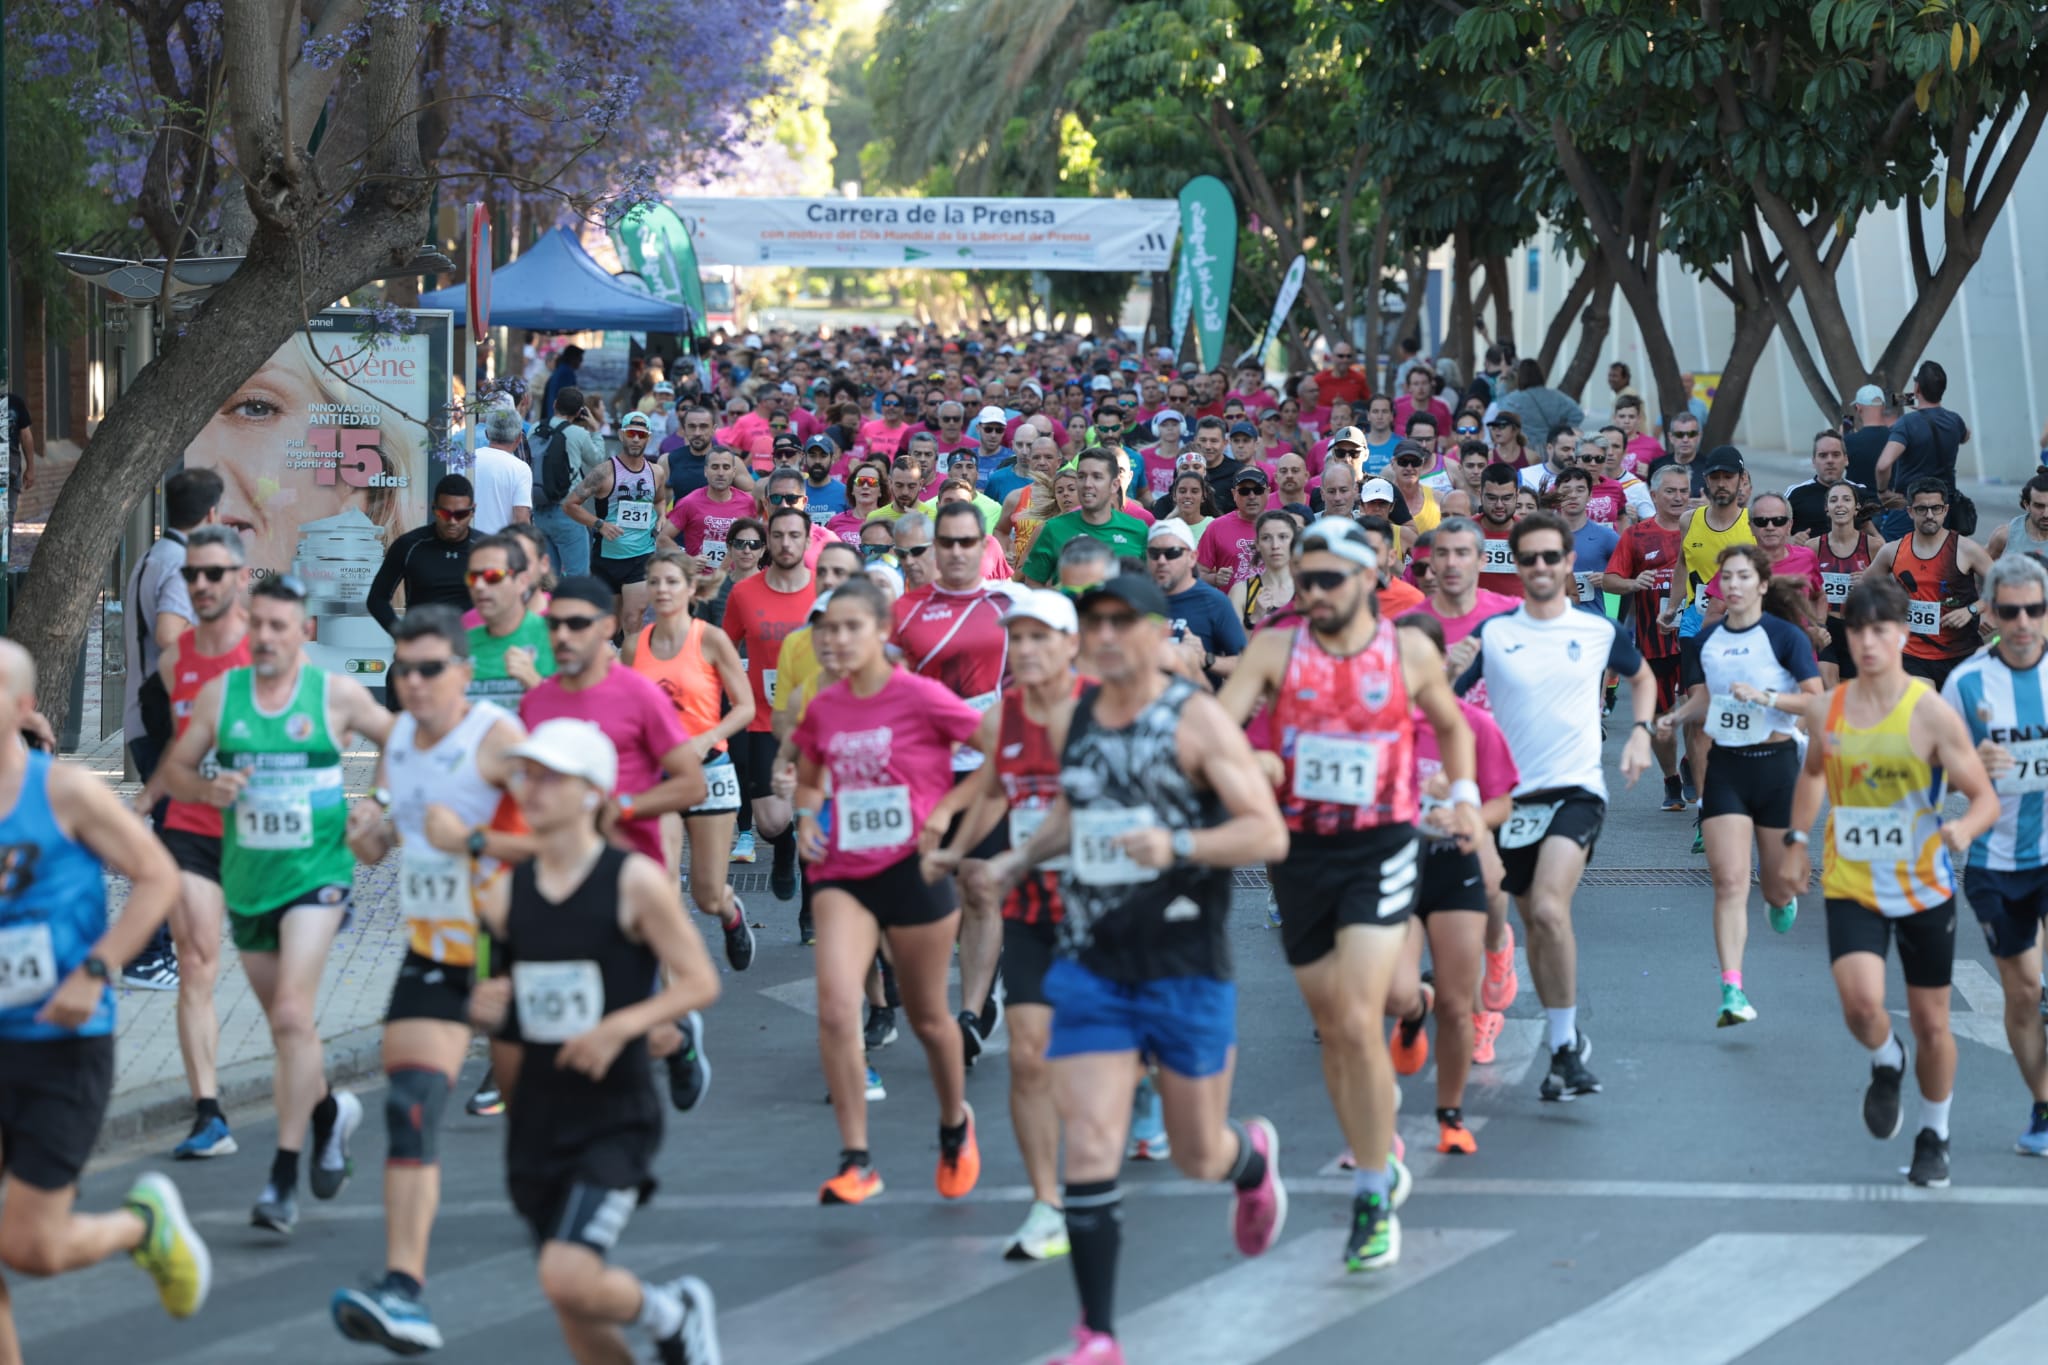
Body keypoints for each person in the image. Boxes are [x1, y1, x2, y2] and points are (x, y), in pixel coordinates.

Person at [983, 573, 1291, 1365]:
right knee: (1089, 1140)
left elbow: (1266, 833)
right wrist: (1019, 857)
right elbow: (1073, 808)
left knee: (1196, 1153)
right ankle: (1097, 1335)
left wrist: (1179, 846)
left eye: (1124, 621)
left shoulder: (1195, 721)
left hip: (1184, 959)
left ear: (1159, 633)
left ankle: (1250, 1160)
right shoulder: (1078, 714)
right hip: (1093, 959)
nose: (1107, 634)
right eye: (1096, 621)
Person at [1218, 517, 1479, 1270]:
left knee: (1360, 1017)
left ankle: (1371, 1191)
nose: (1313, 593)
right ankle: (1377, 1152)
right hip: (1299, 854)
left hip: (1382, 846)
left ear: (1369, 577)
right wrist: (1247, 762)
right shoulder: (1275, 644)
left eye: (1329, 579)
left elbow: (1452, 729)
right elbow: (1219, 724)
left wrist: (1461, 794)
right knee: (1334, 1025)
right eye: (1304, 580)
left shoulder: (1407, 649)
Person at [466, 719, 724, 1365]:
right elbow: (490, 992)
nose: (532, 786)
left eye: (550, 775)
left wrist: (621, 1025)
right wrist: (482, 1004)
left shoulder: (631, 880)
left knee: (567, 1274)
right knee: (573, 1305)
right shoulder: (502, 894)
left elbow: (698, 982)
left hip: (614, 1114)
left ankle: (673, 1312)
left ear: (590, 791)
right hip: (536, 1119)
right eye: (526, 772)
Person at [155, 574, 396, 1232]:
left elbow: (400, 739)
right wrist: (208, 790)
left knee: (293, 1010)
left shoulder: (334, 694)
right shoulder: (219, 695)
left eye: (278, 626)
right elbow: (176, 770)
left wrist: (380, 802)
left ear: (304, 632)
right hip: (248, 879)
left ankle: (282, 1177)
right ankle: (328, 1113)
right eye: (256, 623)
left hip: (318, 871)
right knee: (289, 1030)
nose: (264, 637)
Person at [0, 639, 212, 1342]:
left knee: (29, 1247)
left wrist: (97, 969)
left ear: (23, 707)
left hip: (60, 1044)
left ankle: (140, 1225)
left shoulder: (62, 791)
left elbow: (157, 876)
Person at [328, 607, 526, 1352]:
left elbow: (571, 834)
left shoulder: (497, 740)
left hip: (510, 950)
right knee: (410, 1103)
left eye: (429, 669)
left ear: (465, 674)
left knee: (542, 1121)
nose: (412, 683)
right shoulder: (402, 740)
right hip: (434, 952)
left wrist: (475, 839)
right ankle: (403, 1289)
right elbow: (384, 841)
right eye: (401, 670)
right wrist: (368, 836)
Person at [1784, 577, 1998, 1188]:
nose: (1870, 642)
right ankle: (1885, 1058)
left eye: (1882, 630)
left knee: (1933, 1023)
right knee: (1860, 1004)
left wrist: (1964, 831)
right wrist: (1797, 841)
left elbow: (1981, 797)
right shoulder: (1831, 707)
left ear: (1903, 634)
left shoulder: (1930, 711)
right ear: (1847, 637)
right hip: (1852, 881)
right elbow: (1813, 778)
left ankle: (1935, 1132)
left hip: (1924, 885)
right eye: (1859, 631)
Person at [790, 579, 988, 1206]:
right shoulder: (823, 705)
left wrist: (945, 810)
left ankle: (955, 1123)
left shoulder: (923, 698)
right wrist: (804, 819)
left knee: (930, 1020)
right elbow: (811, 778)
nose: (836, 640)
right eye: (828, 630)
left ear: (881, 631)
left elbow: (996, 760)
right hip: (843, 871)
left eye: (850, 628)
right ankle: (857, 1160)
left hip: (912, 869)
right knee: (834, 1007)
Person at [1452, 512, 1655, 1100]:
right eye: (1530, 559)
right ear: (1517, 567)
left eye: (1551, 558)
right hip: (1511, 799)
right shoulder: (1495, 634)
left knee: (1545, 909)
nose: (1541, 568)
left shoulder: (1594, 630)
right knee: (1536, 929)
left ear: (1569, 564)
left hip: (1576, 791)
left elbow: (1641, 679)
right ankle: (1564, 1044)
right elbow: (1448, 708)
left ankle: (1565, 1045)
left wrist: (1640, 732)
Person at [920, 590, 1083, 1261]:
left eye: (1042, 637)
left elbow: (1080, 805)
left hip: (1108, 900)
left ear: (1072, 643)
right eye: (1018, 638)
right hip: (1035, 904)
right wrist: (957, 851)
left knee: (1130, 1059)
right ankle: (1048, 1204)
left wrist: (1010, 855)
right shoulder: (1006, 713)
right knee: (1026, 1051)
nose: (1028, 650)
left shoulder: (1102, 711)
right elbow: (991, 790)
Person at [1654, 545, 1822, 1027]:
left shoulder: (1785, 636)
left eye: (1743, 577)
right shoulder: (1704, 641)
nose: (1732, 585)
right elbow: (1703, 701)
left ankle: (1782, 896)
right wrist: (1674, 717)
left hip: (1776, 767)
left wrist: (1767, 697)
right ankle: (1732, 990)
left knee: (1774, 886)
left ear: (1763, 585)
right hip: (1727, 766)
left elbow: (1816, 703)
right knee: (1728, 882)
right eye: (1725, 577)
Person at [129, 527, 251, 1158]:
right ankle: (209, 1113)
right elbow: (183, 747)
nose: (199, 585)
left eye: (213, 575)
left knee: (282, 998)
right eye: (193, 575)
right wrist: (143, 805)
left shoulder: (267, 650)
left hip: (262, 837)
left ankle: (319, 1105)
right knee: (196, 962)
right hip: (193, 829)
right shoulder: (175, 661)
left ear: (238, 579)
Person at [890, 501, 1018, 1061]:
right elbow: (885, 688)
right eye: (948, 543)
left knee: (981, 885)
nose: (958, 553)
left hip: (989, 767)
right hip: (924, 771)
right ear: (935, 547)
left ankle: (972, 1008)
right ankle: (958, 989)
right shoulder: (903, 611)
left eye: (969, 542)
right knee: (933, 893)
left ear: (984, 545)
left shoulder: (1011, 605)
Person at [1389, 611, 1518, 1137]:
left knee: (1457, 1004)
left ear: (1441, 661)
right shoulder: (1374, 726)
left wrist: (1468, 817)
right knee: (1395, 993)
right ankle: (1412, 1009)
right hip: (1395, 867)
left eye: (1418, 655)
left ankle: (1450, 1116)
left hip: (1451, 865)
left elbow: (1501, 801)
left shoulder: (1472, 724)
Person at [1938, 552, 2048, 1156]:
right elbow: (1940, 774)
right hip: (1997, 860)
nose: (2026, 621)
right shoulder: (1967, 683)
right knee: (2024, 993)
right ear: (1990, 614)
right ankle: (2043, 1105)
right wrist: (1971, 768)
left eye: (2037, 609)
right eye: (2012, 611)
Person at [624, 550, 758, 972]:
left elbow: (745, 707)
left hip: (709, 769)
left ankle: (730, 914)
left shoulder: (710, 639)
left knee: (706, 893)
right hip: (657, 776)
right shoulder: (633, 647)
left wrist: (708, 738)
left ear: (691, 589)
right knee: (661, 885)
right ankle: (673, 983)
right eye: (655, 582)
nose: (662, 590)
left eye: (671, 582)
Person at [122, 468, 226, 990]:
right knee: (173, 845)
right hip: (164, 719)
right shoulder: (183, 564)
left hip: (142, 716)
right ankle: (146, 954)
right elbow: (168, 633)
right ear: (210, 515)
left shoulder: (151, 556)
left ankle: (154, 950)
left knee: (171, 841)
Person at [722, 508, 818, 904]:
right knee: (771, 822)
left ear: (808, 540)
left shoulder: (824, 591)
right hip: (766, 720)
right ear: (768, 541)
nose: (786, 543)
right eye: (778, 535)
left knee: (818, 819)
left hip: (819, 720)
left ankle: (811, 910)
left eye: (794, 535)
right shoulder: (745, 593)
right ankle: (783, 848)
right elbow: (724, 647)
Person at [1604, 464, 1695, 808]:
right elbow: (1611, 579)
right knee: (1661, 723)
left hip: (1691, 640)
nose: (1677, 497)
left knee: (1694, 709)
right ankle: (1672, 778)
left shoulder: (1701, 529)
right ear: (1654, 495)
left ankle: (1692, 762)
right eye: (1670, 491)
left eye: (1683, 491)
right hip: (1652, 643)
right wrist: (1634, 582)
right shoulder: (1637, 535)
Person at [1867, 478, 1990, 691]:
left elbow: (2005, 588)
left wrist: (1972, 609)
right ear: (1910, 512)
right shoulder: (1892, 551)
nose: (1930, 515)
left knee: (1959, 720)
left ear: (1946, 510)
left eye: (1936, 508)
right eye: (1922, 509)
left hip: (1961, 652)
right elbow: (1865, 591)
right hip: (1912, 655)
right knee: (1925, 710)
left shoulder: (1966, 549)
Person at [1019, 449, 1150, 586]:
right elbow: (1033, 584)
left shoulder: (1138, 530)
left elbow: (1150, 585)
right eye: (1081, 476)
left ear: (1114, 485)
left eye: (1097, 477)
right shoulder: (1053, 529)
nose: (1087, 484)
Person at [367, 476, 478, 636]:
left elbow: (504, 601)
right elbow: (377, 599)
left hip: (471, 647)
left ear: (473, 510)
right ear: (434, 508)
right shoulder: (409, 545)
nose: (453, 521)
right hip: (421, 647)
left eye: (461, 514)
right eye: (445, 514)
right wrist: (402, 636)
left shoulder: (484, 548)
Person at [1147, 520, 1246, 689]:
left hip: (1194, 708)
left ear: (1192, 558)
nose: (1162, 560)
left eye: (1172, 553)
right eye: (1154, 553)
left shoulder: (1214, 602)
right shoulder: (1136, 599)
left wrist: (1205, 659)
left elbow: (1244, 664)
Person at [1876, 361, 1969, 530]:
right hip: (1943, 507)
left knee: (1893, 550)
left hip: (1911, 508)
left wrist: (1883, 492)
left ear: (1916, 388)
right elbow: (1965, 436)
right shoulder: (1955, 420)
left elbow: (1883, 465)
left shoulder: (1907, 423)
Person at [1814, 483, 1886, 686]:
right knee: (1830, 685)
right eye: (1833, 500)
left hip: (1858, 627)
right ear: (1826, 508)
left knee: (1853, 692)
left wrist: (1869, 582)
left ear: (1856, 508)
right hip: (1826, 626)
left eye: (1846, 499)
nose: (1840, 505)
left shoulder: (1874, 546)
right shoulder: (1813, 546)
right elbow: (1805, 590)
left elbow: (1890, 592)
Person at [528, 388, 604, 579]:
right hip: (568, 512)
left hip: (539, 509)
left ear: (554, 405)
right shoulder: (579, 433)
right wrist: (595, 429)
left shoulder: (536, 428)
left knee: (548, 578)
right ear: (580, 412)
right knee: (577, 576)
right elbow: (598, 461)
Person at [1786, 428, 1871, 541]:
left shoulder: (1859, 491)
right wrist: (1791, 540)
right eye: (1823, 455)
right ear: (1813, 461)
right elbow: (1775, 531)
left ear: (1846, 460)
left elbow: (1868, 530)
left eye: (1836, 455)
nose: (1830, 460)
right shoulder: (1795, 493)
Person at [471, 407, 537, 533]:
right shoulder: (520, 468)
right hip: (500, 546)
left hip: (467, 542)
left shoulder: (466, 459)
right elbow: (522, 518)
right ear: (519, 438)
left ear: (487, 434)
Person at [1495, 359, 1584, 451]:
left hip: (1526, 447)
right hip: (1552, 447)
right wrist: (1562, 432)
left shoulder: (1514, 398)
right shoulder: (1556, 396)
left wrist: (1504, 377)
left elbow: (1502, 407)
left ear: (1520, 376)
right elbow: (1577, 414)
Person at [1231, 509, 1298, 628]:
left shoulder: (1309, 588)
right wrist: (1255, 618)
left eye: (1283, 537)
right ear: (1257, 544)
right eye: (1266, 538)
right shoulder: (1241, 592)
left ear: (1294, 542)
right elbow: (1235, 645)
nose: (1275, 546)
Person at [1984, 471, 2048, 560]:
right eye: (2039, 506)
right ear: (2027, 505)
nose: (2046, 514)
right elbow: (1982, 568)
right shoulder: (2004, 536)